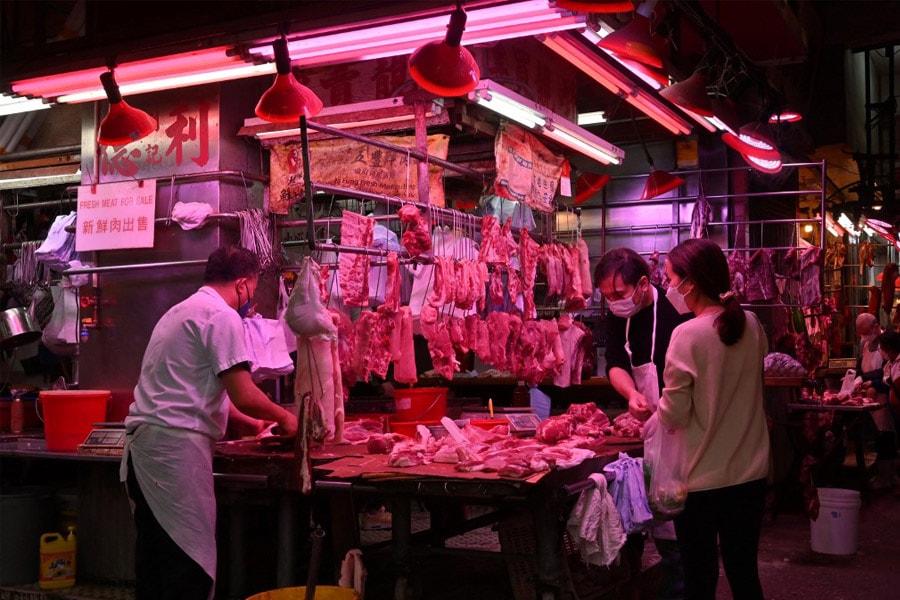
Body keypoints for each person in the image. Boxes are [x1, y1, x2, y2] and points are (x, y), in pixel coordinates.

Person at [119, 246, 298, 600]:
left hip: (146, 453)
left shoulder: (179, 312)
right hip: (173, 456)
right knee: (187, 570)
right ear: (243, 282)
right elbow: (243, 391)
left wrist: (251, 424)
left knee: (155, 566)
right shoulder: (221, 316)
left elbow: (202, 390)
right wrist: (285, 416)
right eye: (255, 286)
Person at [657, 238, 769, 600]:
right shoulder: (752, 325)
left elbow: (674, 414)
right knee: (744, 573)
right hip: (750, 475)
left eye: (670, 278)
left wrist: (653, 407)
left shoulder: (686, 335)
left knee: (700, 579)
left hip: (702, 481)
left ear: (690, 282)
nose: (667, 286)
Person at [595, 247, 688, 600]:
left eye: (618, 294)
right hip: (642, 428)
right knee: (637, 514)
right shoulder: (620, 314)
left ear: (643, 283)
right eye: (605, 295)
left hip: (680, 429)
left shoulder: (675, 312)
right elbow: (615, 362)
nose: (613, 302)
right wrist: (631, 394)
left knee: (675, 521)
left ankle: (679, 587)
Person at [856, 313, 898, 490]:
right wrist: (858, 378)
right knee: (878, 438)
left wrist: (872, 383)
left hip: (884, 398)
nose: (864, 336)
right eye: (861, 333)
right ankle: (883, 475)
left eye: (866, 332)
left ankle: (887, 477)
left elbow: (886, 374)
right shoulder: (865, 345)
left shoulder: (886, 346)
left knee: (886, 438)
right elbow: (861, 366)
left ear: (876, 326)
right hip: (869, 397)